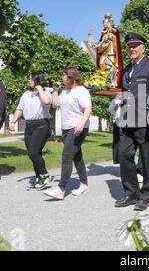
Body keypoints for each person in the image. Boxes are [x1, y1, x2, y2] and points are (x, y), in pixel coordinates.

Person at [115, 33, 149, 211]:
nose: (132, 48)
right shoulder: (127, 69)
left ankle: (145, 196)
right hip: (127, 120)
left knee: (146, 158)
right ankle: (131, 193)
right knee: (124, 155)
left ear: (143, 48)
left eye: (135, 45)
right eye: (129, 46)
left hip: (145, 121)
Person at [43, 67, 92, 200]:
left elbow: (88, 108)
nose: (62, 78)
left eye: (64, 76)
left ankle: (61, 188)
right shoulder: (65, 91)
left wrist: (81, 124)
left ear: (71, 77)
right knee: (77, 156)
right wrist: (54, 91)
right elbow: (55, 104)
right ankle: (84, 184)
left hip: (77, 128)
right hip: (66, 128)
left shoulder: (81, 91)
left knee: (67, 155)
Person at [9, 71, 53, 190]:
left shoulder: (46, 92)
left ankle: (45, 175)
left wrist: (40, 90)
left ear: (37, 80)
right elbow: (19, 109)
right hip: (29, 126)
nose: (28, 80)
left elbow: (47, 102)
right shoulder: (26, 94)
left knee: (33, 152)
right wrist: (13, 122)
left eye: (31, 79)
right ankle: (39, 177)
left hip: (41, 125)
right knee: (34, 154)